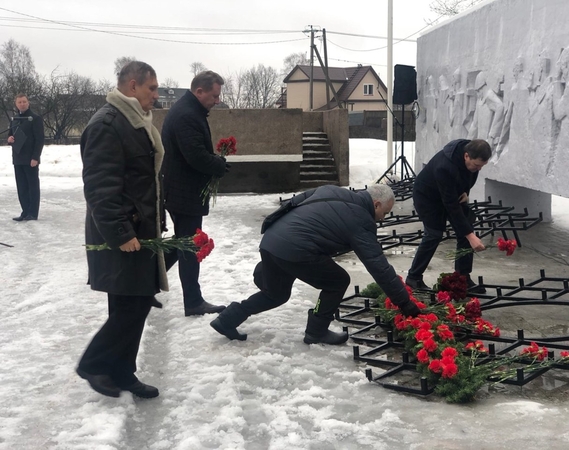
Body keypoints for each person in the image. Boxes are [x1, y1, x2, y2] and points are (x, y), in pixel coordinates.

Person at [210, 184, 422, 344]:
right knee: (338, 280)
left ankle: (227, 319)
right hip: (295, 249)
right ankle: (317, 330)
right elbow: (378, 266)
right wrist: (405, 303)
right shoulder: (361, 220)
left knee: (275, 295)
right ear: (375, 204)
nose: (383, 220)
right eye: (384, 213)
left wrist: (272, 227)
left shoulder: (334, 190)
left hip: (272, 241)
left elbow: (296, 201)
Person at [76, 61, 168, 399]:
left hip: (138, 228)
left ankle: (121, 371)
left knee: (134, 304)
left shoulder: (135, 121)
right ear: (132, 85)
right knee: (132, 305)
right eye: (152, 88)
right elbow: (100, 187)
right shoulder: (108, 124)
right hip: (122, 233)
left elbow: (142, 180)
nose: (156, 96)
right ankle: (94, 364)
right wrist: (121, 233)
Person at [160, 71, 228, 317]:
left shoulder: (189, 110)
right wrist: (218, 164)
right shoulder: (187, 115)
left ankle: (144, 286)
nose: (217, 100)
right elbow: (195, 156)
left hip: (181, 189)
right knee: (189, 246)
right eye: (214, 95)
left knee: (182, 242)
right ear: (199, 91)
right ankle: (193, 302)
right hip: (183, 191)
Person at [405, 139, 491, 294]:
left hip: (451, 193)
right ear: (466, 156)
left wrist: (466, 192)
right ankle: (413, 277)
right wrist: (471, 236)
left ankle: (462, 277)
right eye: (477, 165)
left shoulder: (473, 156)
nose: (478, 169)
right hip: (428, 198)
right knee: (434, 234)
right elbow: (451, 205)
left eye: (482, 166)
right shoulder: (445, 167)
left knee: (466, 227)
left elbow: (468, 177)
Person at [7, 93, 45, 221]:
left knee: (32, 186)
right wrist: (10, 139)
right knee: (22, 187)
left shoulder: (35, 118)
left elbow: (39, 140)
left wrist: (35, 157)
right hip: (18, 158)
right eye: (19, 102)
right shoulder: (15, 119)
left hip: (30, 159)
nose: (22, 104)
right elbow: (10, 136)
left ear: (28, 102)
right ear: (16, 104)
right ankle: (25, 211)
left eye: (24, 101)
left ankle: (33, 213)